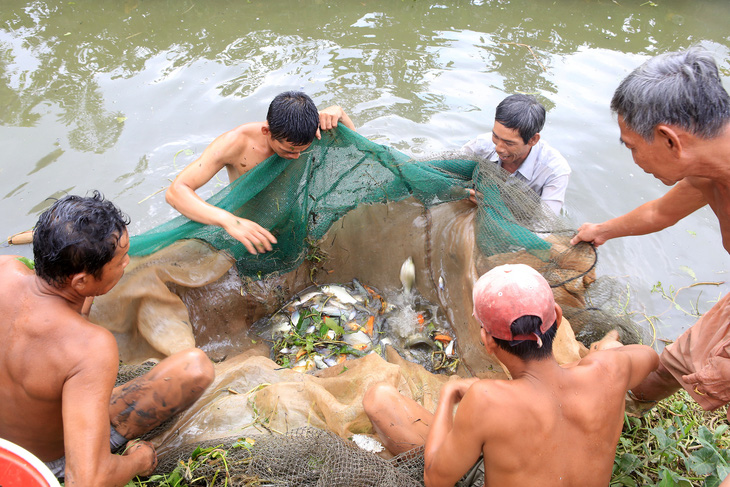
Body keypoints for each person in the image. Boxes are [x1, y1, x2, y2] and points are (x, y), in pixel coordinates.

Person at [363, 264, 658, 487]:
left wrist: (448, 396)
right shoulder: (610, 370)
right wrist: (602, 353)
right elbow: (651, 358)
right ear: (557, 315)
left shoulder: (487, 400)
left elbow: (435, 478)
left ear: (489, 342)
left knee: (379, 399)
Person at [0, 192, 215, 486]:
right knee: (195, 368)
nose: (127, 262)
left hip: (5, 446)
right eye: (120, 259)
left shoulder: (5, 269)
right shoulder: (90, 347)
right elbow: (87, 480)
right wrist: (137, 461)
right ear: (81, 282)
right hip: (47, 462)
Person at [570, 48, 730, 417]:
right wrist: (603, 230)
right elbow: (661, 211)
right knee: (676, 361)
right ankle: (628, 407)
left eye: (633, 147)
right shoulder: (709, 169)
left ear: (669, 140)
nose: (634, 160)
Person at [166, 91, 355, 255]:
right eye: (289, 150)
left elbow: (357, 151)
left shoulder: (309, 131)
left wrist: (340, 115)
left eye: (302, 150)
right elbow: (176, 192)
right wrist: (229, 221)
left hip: (293, 223)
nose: (297, 156)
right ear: (266, 131)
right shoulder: (234, 144)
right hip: (250, 232)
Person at [462, 94, 571, 214]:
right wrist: (461, 191)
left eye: (509, 143)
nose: (499, 148)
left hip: (519, 220)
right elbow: (447, 172)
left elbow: (545, 224)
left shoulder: (554, 171)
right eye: (496, 136)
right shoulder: (481, 145)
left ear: (533, 140)